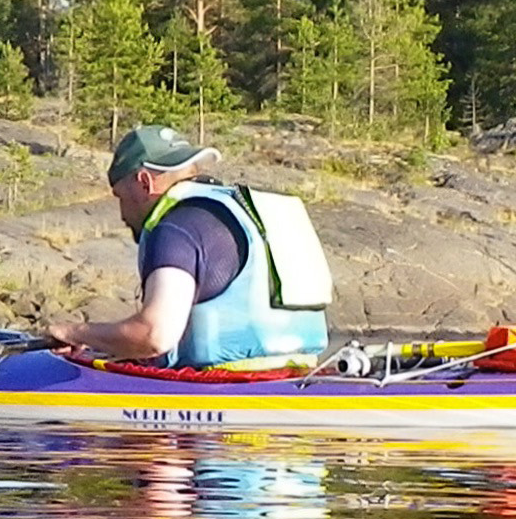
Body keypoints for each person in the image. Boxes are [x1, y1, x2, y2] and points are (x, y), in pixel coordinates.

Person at [50, 126, 331, 371]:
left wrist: (75, 332)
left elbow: (155, 336)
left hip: (222, 399)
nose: (122, 214)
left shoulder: (176, 228)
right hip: (298, 374)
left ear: (143, 183)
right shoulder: (248, 210)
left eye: (120, 197)